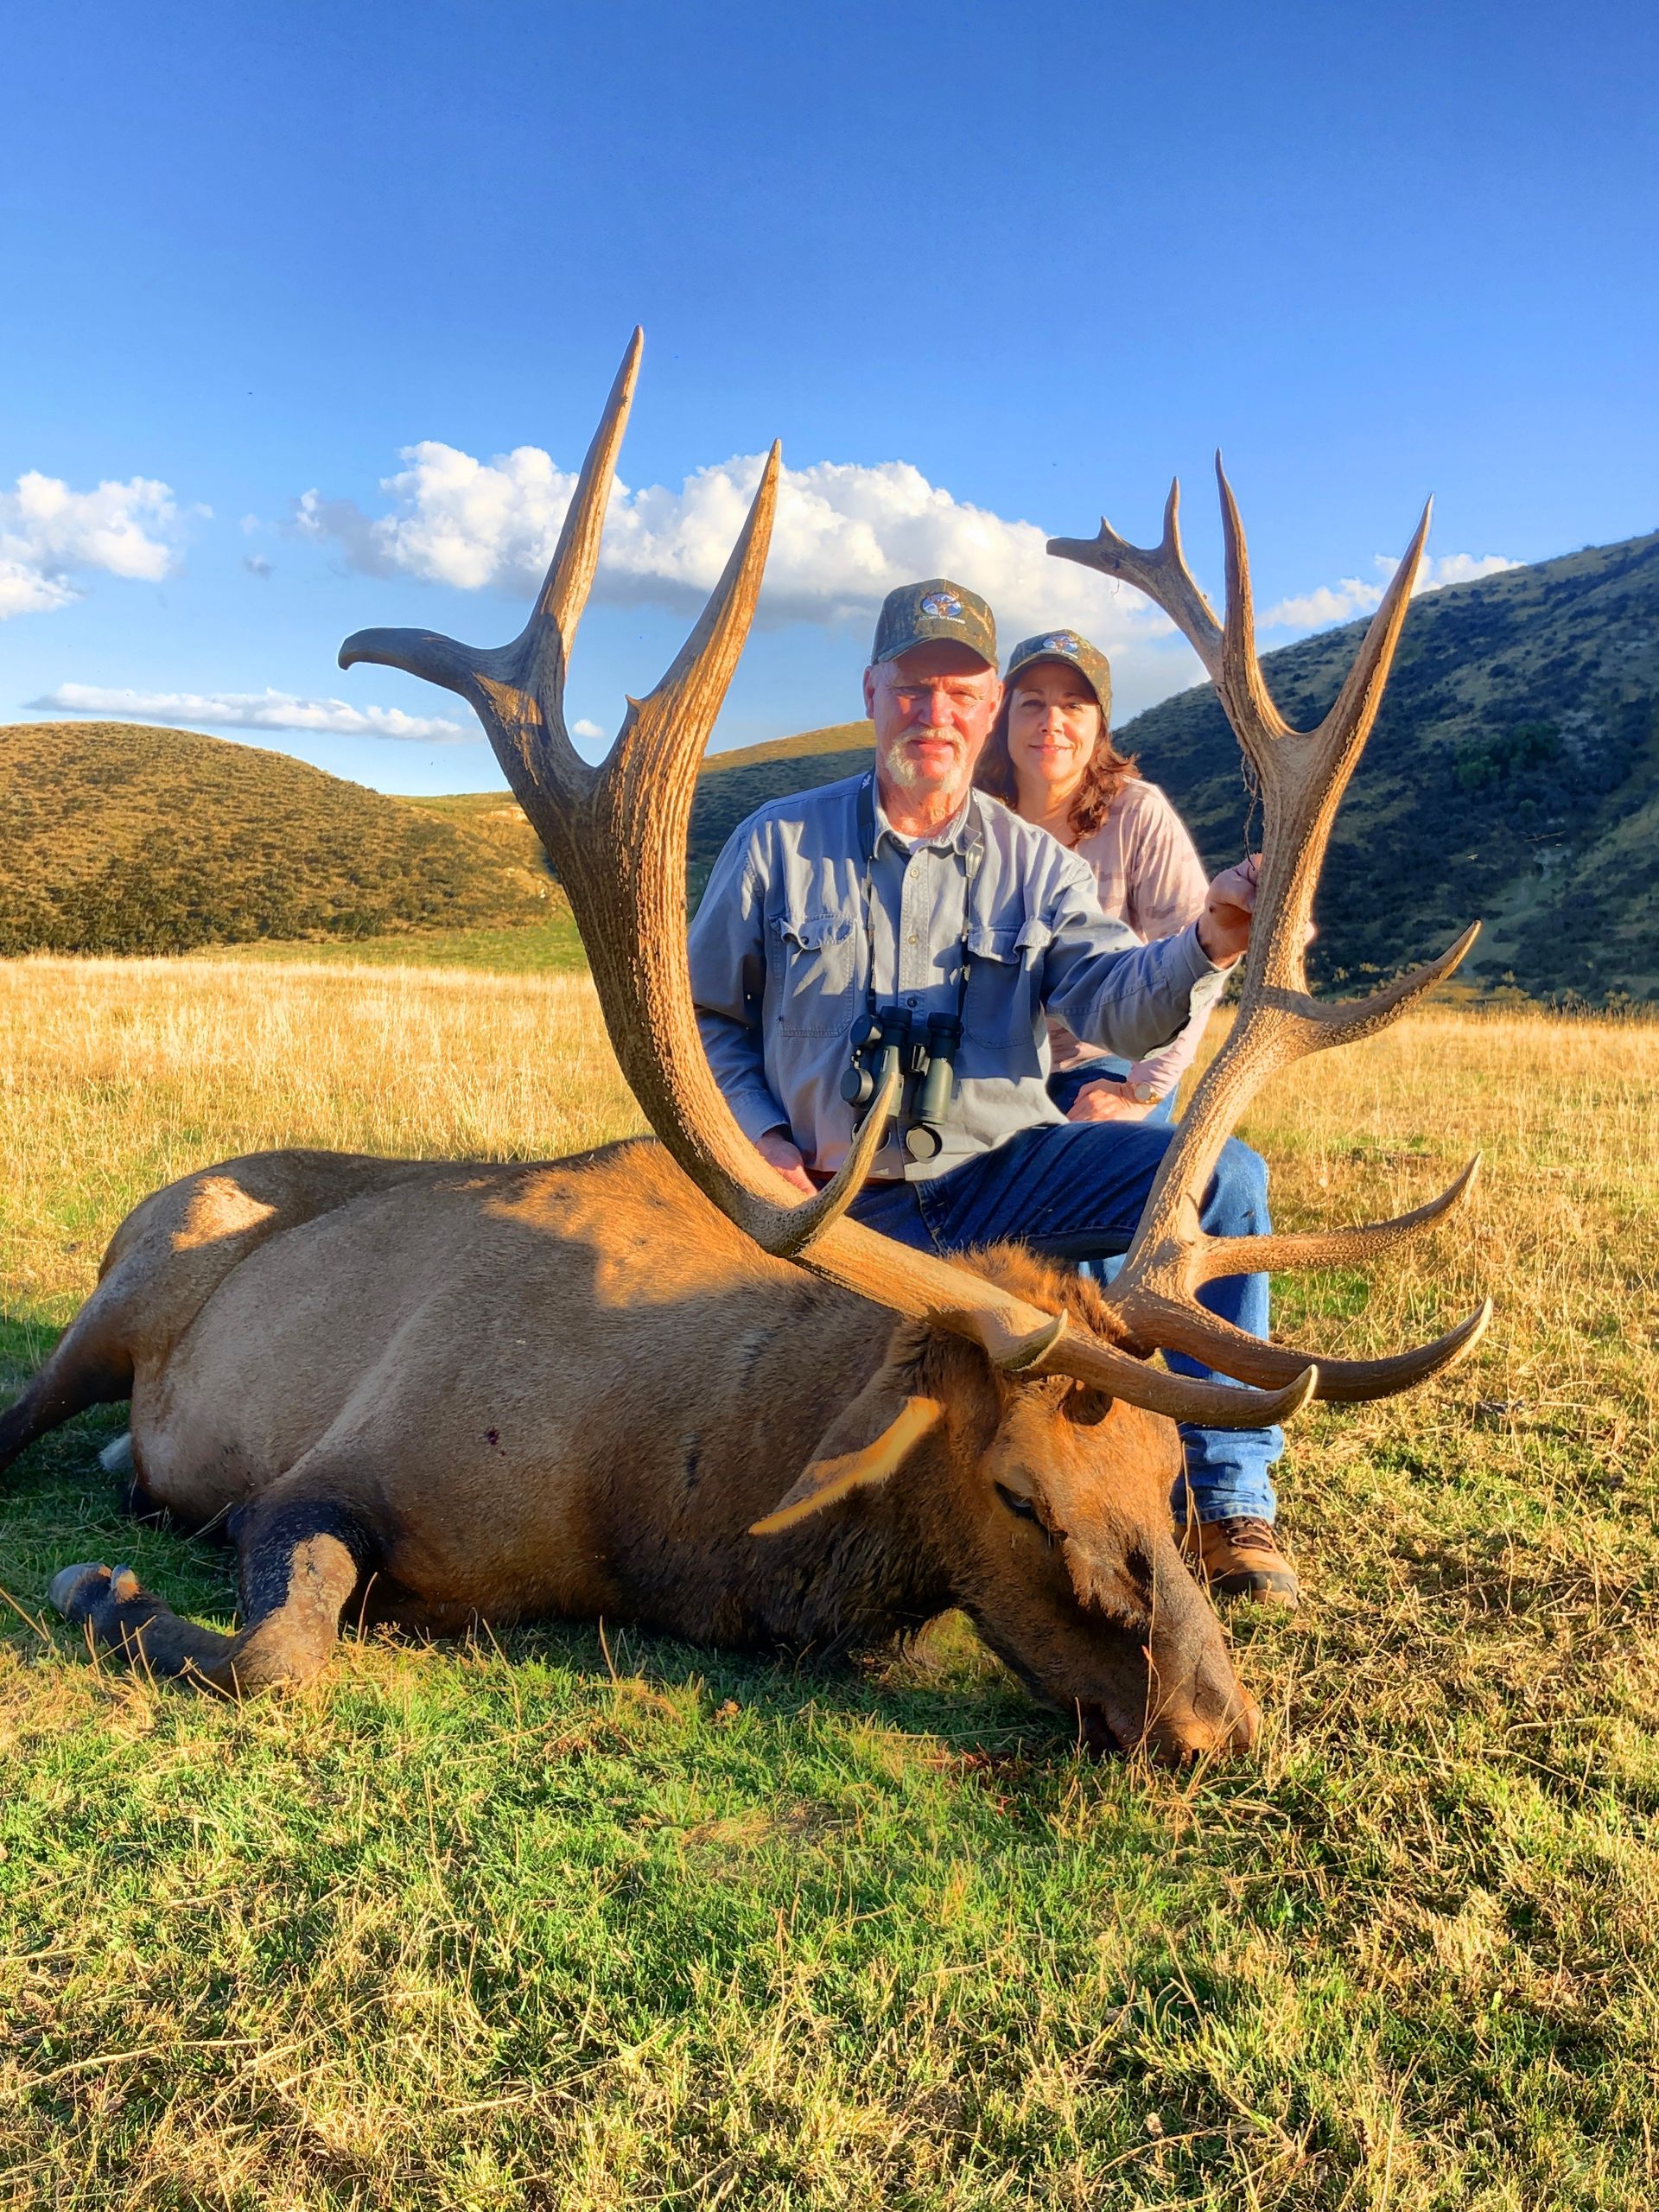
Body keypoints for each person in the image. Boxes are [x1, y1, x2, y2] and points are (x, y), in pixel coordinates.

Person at [687, 579, 1298, 1606]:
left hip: (1002, 1181)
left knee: (1225, 1180)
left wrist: (1205, 942)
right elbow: (705, 1019)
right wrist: (760, 1140)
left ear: (987, 712)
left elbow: (1114, 1000)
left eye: (961, 693)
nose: (935, 713)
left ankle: (1226, 1497)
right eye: (913, 688)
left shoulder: (1037, 868)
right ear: (872, 694)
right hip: (834, 1206)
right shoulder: (774, 845)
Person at [976, 628, 1211, 1129]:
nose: (1051, 723)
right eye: (1032, 704)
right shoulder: (969, 820)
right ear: (1001, 717)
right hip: (983, 1066)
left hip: (1102, 1064)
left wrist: (1139, 1092)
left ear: (1099, 726)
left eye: (1073, 706)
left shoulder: (1137, 814)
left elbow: (1196, 958)